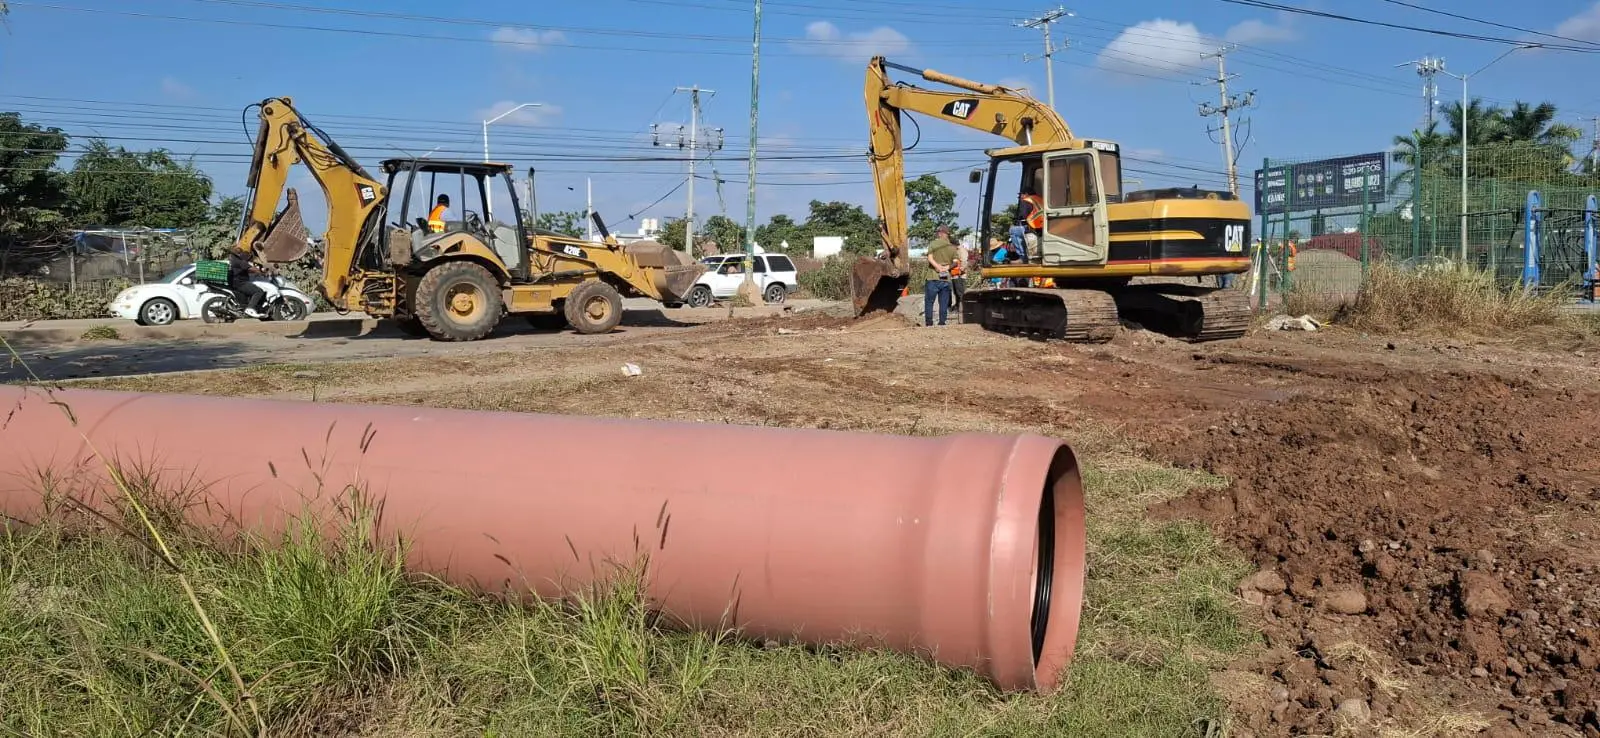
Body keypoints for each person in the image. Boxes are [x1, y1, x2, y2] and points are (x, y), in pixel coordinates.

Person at [924, 228, 958, 326]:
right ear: (947, 234)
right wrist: (946, 267)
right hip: (945, 278)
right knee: (943, 302)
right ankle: (942, 322)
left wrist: (937, 266)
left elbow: (930, 258)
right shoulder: (952, 247)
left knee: (929, 301)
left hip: (932, 277)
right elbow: (955, 263)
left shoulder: (933, 244)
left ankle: (929, 323)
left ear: (940, 233)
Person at [226, 247, 267, 318]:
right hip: (240, 283)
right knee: (259, 291)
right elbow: (251, 268)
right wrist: (261, 272)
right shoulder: (240, 261)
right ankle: (250, 308)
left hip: (235, 282)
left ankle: (250, 307)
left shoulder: (234, 259)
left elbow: (247, 269)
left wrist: (258, 271)